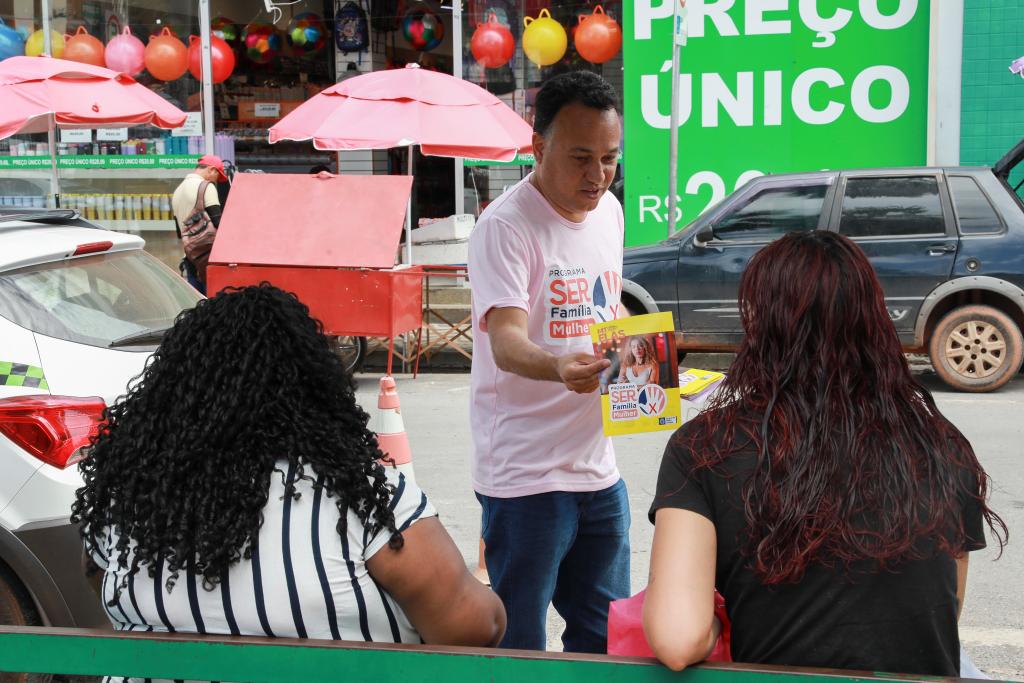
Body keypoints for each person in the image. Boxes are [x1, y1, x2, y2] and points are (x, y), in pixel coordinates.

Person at [644, 231, 1006, 676]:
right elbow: (944, 613)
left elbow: (678, 640)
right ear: (872, 320)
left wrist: (721, 623)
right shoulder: (941, 442)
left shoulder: (703, 448)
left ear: (760, 325)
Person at [72, 284, 505, 647]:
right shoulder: (360, 498)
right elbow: (471, 628)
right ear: (316, 387)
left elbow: (101, 587)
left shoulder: (125, 497)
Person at [467, 71, 627, 653]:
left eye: (609, 158)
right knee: (521, 643)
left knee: (605, 638)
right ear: (539, 147)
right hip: (526, 478)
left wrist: (642, 367)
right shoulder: (505, 228)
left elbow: (603, 316)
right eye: (581, 157)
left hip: (597, 468)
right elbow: (505, 342)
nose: (598, 175)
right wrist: (560, 367)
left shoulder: (609, 211)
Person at [172, 154, 227, 295]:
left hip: (190, 256)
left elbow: (180, 232)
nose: (216, 180)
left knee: (197, 301)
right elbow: (218, 223)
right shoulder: (205, 187)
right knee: (214, 301)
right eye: (217, 176)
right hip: (208, 256)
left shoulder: (178, 191)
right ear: (212, 170)